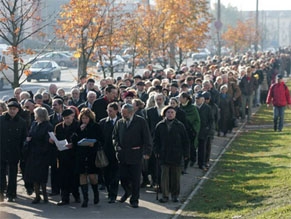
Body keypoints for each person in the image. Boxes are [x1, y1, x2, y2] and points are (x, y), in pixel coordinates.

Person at [112, 104, 152, 208]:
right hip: (122, 155)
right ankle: (127, 191)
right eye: (122, 113)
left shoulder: (140, 121)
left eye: (124, 114)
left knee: (135, 179)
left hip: (136, 154)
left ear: (131, 113)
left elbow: (147, 137)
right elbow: (114, 136)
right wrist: (117, 146)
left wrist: (147, 152)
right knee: (123, 177)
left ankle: (134, 199)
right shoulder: (120, 122)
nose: (122, 115)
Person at [154, 106, 189, 203]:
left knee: (175, 177)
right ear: (164, 114)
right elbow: (155, 140)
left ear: (175, 114)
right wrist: (156, 151)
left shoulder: (180, 125)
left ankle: (175, 195)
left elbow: (185, 141)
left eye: (172, 112)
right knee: (164, 176)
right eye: (168, 112)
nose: (170, 114)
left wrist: (186, 154)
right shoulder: (160, 125)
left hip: (176, 154)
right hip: (164, 154)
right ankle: (165, 195)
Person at [74, 108, 103, 208]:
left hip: (92, 154)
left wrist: (93, 144)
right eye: (82, 118)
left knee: (92, 176)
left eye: (86, 118)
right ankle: (85, 198)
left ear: (90, 118)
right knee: (82, 175)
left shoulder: (95, 126)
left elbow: (100, 139)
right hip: (81, 154)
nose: (84, 120)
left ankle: (96, 193)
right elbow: (74, 139)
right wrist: (80, 131)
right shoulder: (78, 126)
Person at [24, 107, 54, 204]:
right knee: (34, 176)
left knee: (42, 176)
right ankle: (37, 196)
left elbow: (47, 139)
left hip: (42, 154)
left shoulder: (48, 126)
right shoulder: (34, 124)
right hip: (33, 153)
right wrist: (28, 140)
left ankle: (45, 196)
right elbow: (30, 134)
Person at [0, 100, 27, 202]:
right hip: (2, 150)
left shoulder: (21, 122)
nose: (12, 111)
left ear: (17, 110)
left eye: (14, 109)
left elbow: (24, 137)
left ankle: (11, 194)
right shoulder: (1, 119)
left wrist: (22, 152)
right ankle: (1, 192)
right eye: (10, 109)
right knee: (1, 173)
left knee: (12, 173)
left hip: (14, 151)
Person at [54, 109, 80, 206]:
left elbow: (81, 139)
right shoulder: (59, 127)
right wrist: (53, 141)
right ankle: (64, 198)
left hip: (74, 155)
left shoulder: (77, 126)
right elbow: (56, 138)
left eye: (68, 118)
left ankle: (76, 196)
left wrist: (73, 144)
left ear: (72, 116)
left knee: (74, 177)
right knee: (63, 177)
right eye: (65, 118)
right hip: (62, 155)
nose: (67, 120)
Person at [99, 102, 120, 203]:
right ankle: (109, 191)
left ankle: (113, 194)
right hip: (105, 152)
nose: (109, 112)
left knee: (115, 175)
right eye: (108, 110)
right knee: (106, 174)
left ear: (116, 111)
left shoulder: (121, 122)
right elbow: (99, 137)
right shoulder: (103, 122)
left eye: (111, 111)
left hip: (116, 152)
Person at [179, 92, 200, 170]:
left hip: (190, 131)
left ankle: (191, 160)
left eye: (180, 98)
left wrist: (194, 130)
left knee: (190, 147)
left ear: (185, 99)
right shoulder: (179, 107)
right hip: (181, 130)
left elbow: (196, 119)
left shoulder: (192, 108)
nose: (179, 99)